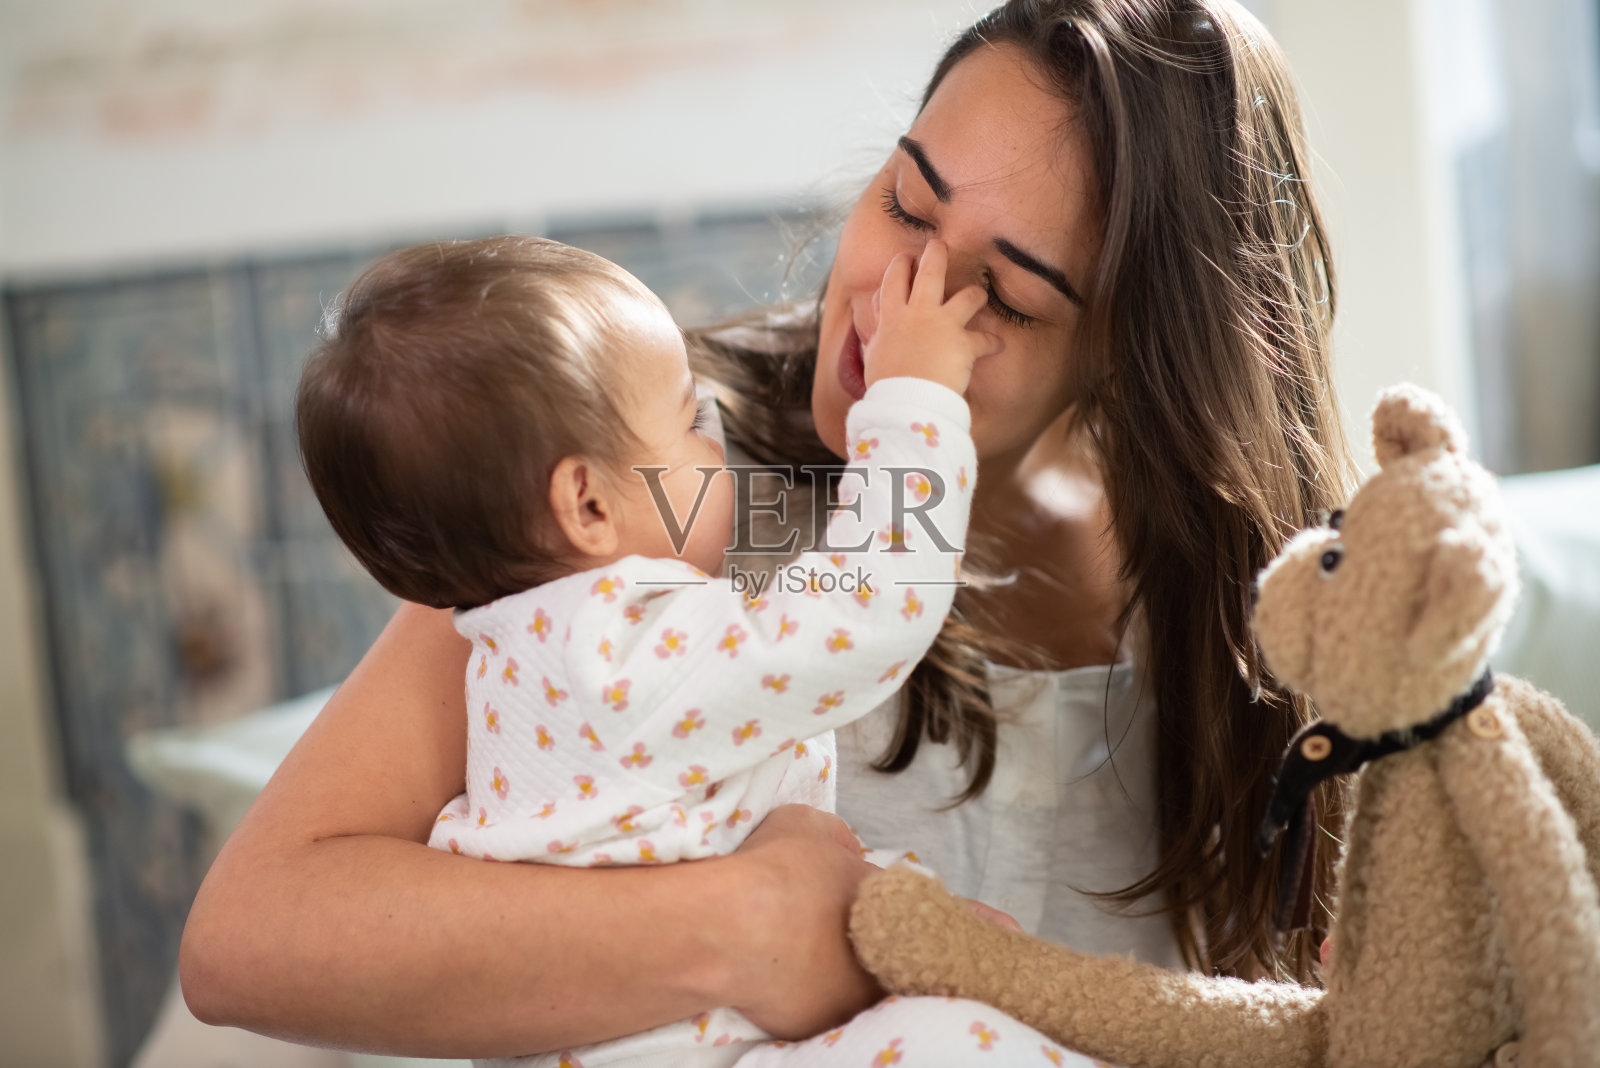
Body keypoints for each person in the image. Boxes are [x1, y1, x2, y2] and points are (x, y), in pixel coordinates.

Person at [180, 0, 1357, 1063]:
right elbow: (250, 939)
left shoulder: (1252, 590)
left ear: (1137, 349)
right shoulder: (673, 498)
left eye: (998, 295)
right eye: (904, 200)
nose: (897, 304)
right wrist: (737, 931)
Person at [292, 233, 995, 1064]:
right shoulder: (618, 650)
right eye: (692, 418)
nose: (719, 437)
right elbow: (864, 612)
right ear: (587, 504)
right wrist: (914, 404)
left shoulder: (512, 657)